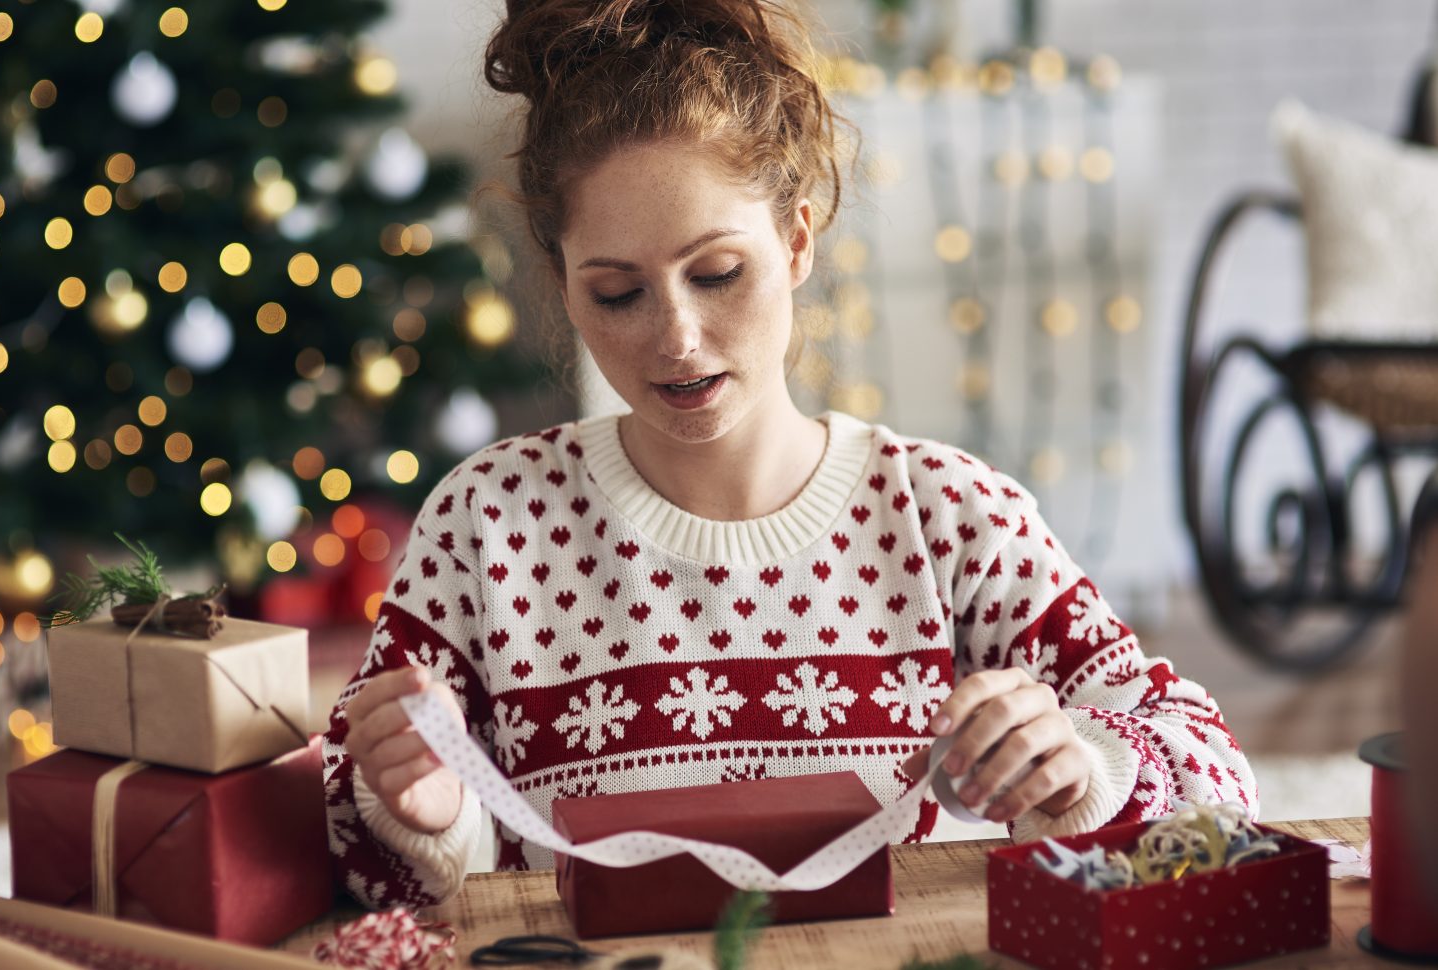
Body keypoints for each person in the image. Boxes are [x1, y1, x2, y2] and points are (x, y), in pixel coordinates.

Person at [322, 0, 1254, 910]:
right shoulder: (487, 522)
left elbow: (1219, 786)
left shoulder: (947, 514)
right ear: (563, 286)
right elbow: (350, 866)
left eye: (717, 274)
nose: (677, 339)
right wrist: (418, 814)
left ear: (798, 240)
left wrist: (1082, 772)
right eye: (617, 294)